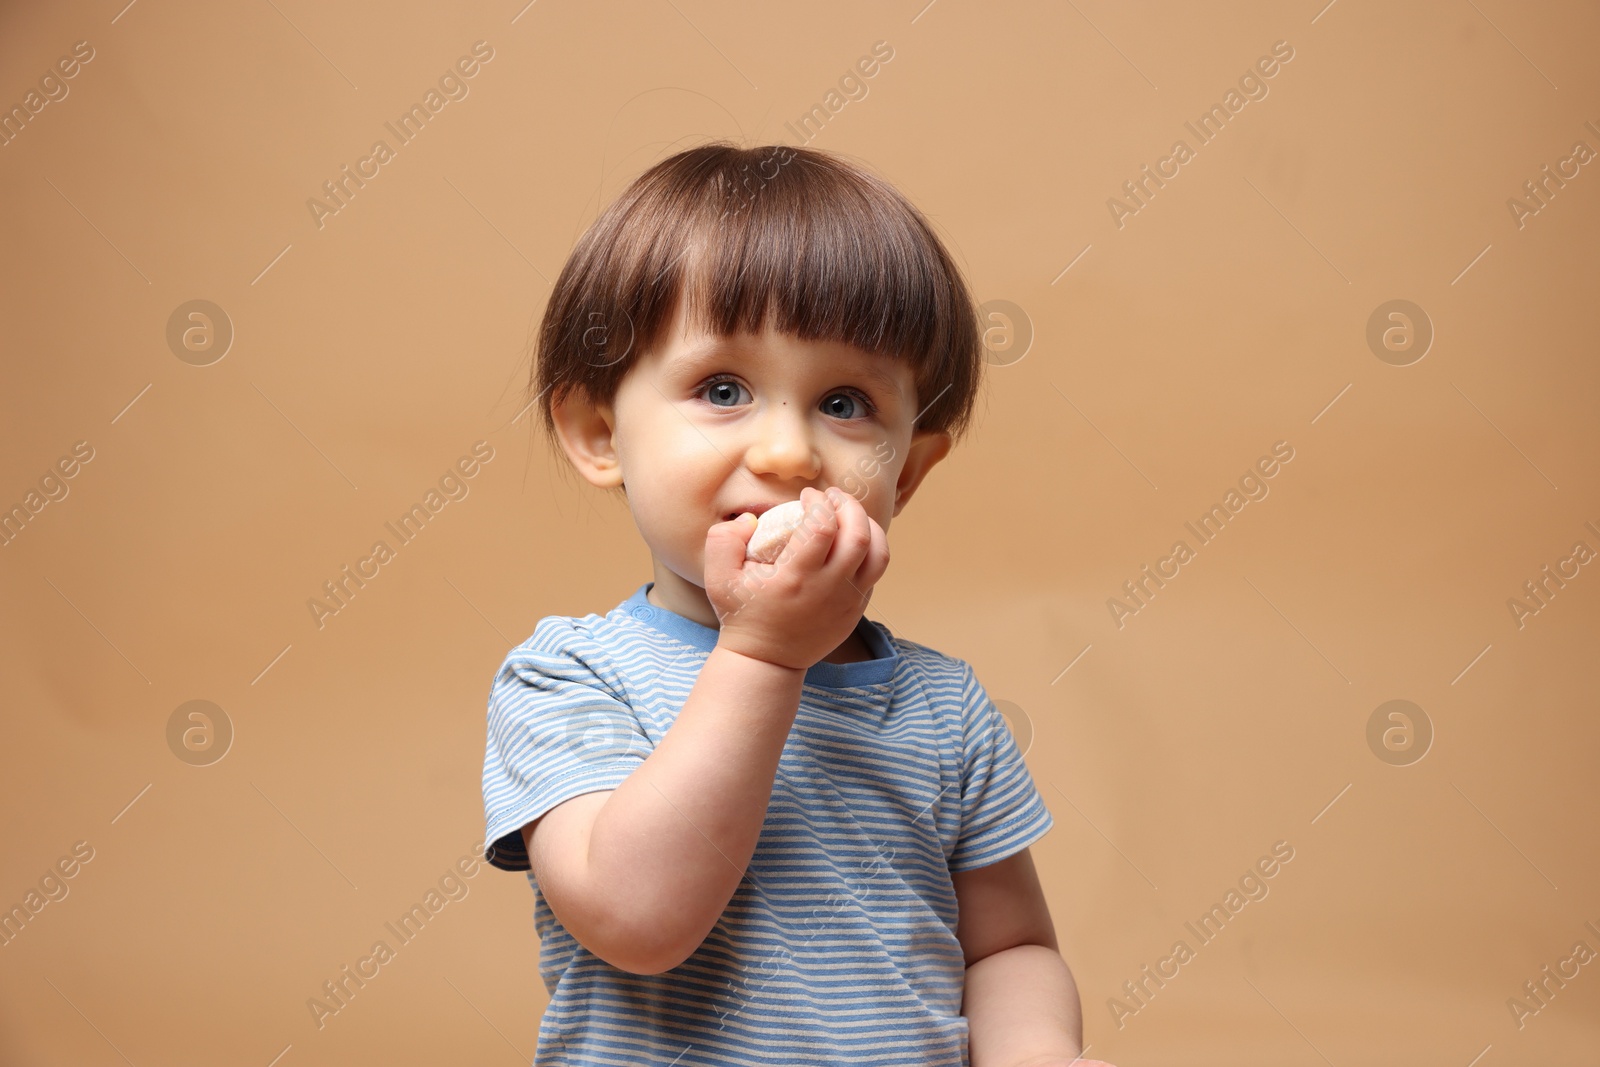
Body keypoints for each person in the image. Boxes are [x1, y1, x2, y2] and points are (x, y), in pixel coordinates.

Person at [480, 141, 1108, 1067]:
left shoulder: (944, 708)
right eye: (723, 390)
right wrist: (763, 655)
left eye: (846, 402)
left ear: (910, 466)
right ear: (598, 432)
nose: (788, 452)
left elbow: (1009, 946)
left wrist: (1038, 1052)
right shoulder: (568, 678)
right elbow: (637, 918)